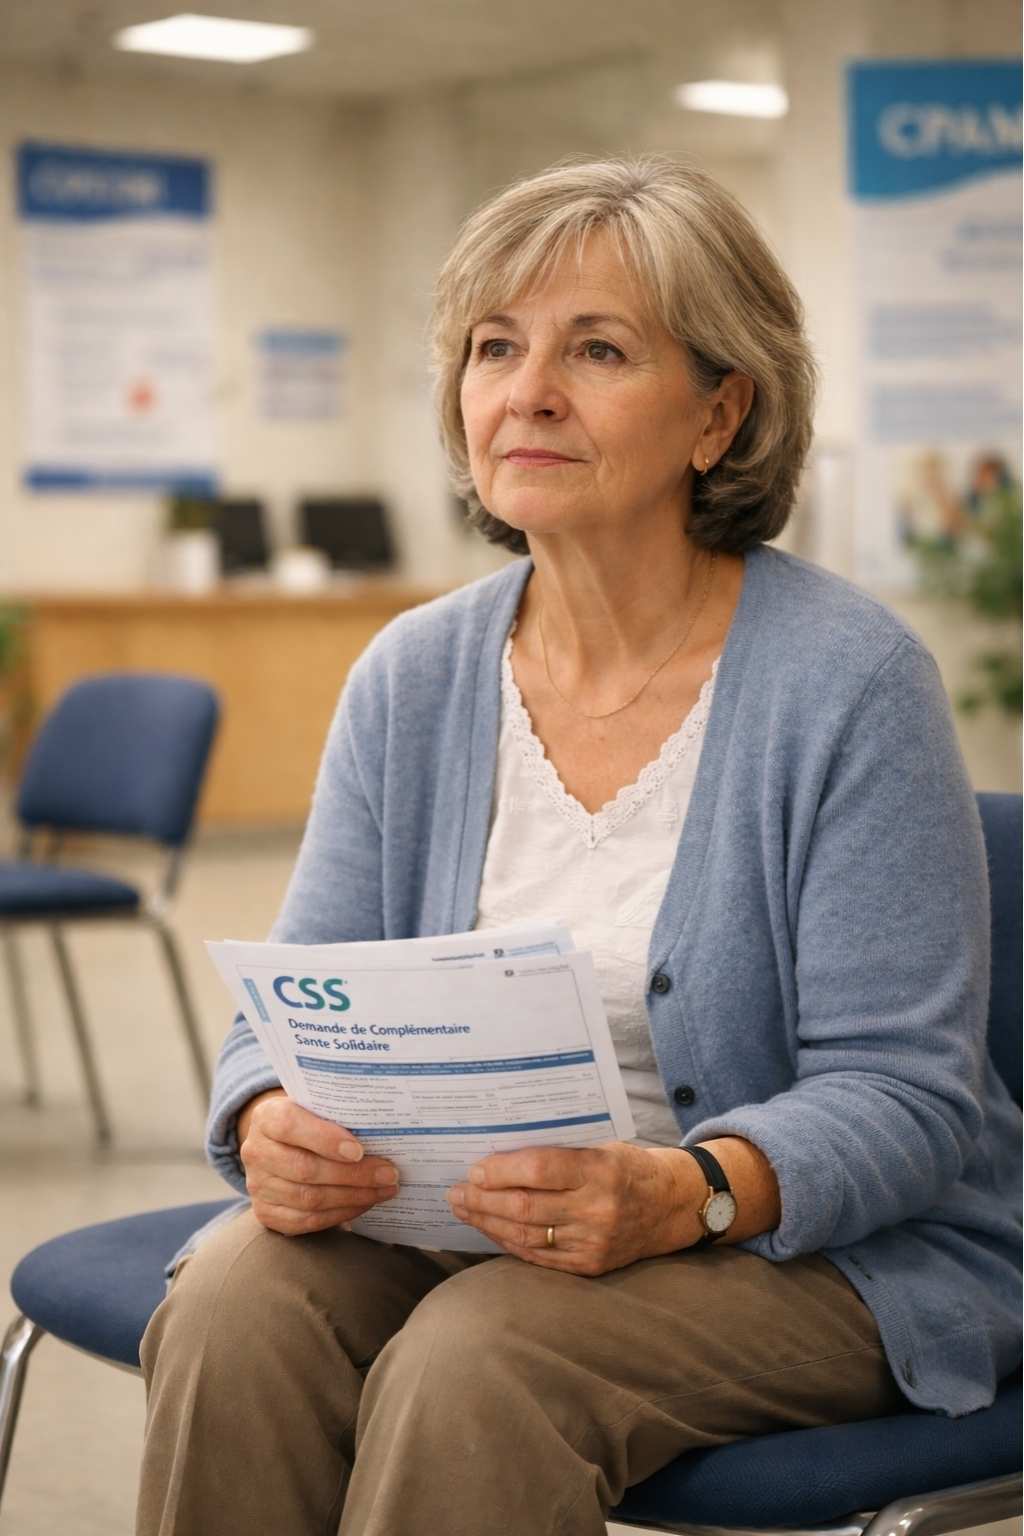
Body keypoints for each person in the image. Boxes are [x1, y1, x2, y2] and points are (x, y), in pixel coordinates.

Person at [136, 156, 1022, 1536]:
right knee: (235, 1306)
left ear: (720, 412)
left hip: (810, 1251)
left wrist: (689, 1193)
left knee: (482, 1359)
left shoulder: (850, 684)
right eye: (497, 347)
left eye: (596, 349)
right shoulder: (414, 675)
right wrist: (265, 1120)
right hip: (469, 1221)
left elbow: (906, 1101)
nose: (526, 391)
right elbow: (288, 998)